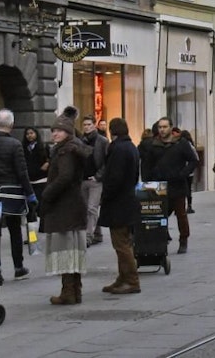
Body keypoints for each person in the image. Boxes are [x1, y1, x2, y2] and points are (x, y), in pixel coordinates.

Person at [0, 109, 36, 281]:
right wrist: (30, 194)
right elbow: (22, 173)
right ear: (11, 124)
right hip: (12, 194)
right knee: (15, 230)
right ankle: (18, 267)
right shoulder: (15, 145)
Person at [41, 107, 91, 305]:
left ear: (68, 132)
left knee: (65, 249)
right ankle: (75, 291)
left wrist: (47, 193)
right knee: (73, 250)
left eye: (59, 130)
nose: (55, 134)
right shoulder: (72, 148)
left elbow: (65, 176)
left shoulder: (65, 151)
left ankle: (68, 291)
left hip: (64, 207)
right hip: (73, 205)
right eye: (53, 130)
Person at [140, 117, 198, 254]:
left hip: (177, 184)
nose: (162, 130)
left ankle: (183, 239)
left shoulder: (181, 143)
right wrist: (147, 183)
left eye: (165, 127)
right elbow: (146, 166)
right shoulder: (153, 145)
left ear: (171, 128)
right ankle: (161, 239)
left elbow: (193, 160)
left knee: (181, 214)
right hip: (158, 185)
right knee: (160, 215)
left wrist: (183, 173)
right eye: (160, 127)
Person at [97, 118, 141, 295]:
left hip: (118, 203)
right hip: (128, 199)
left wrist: (105, 195)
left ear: (112, 131)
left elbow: (114, 178)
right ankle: (123, 278)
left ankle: (131, 280)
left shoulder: (118, 149)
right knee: (124, 242)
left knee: (121, 245)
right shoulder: (131, 147)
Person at [80, 115, 108, 247]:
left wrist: (98, 176)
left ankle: (88, 237)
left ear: (94, 125)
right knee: (87, 208)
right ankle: (98, 234)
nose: (86, 127)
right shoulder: (81, 141)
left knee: (92, 208)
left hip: (95, 180)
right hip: (83, 179)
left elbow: (107, 161)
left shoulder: (102, 141)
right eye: (84, 125)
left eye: (89, 124)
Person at [178, 129, 198, 213]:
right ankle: (189, 206)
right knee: (188, 189)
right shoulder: (191, 146)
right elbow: (196, 158)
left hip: (180, 170)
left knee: (181, 189)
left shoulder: (178, 145)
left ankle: (180, 207)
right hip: (189, 171)